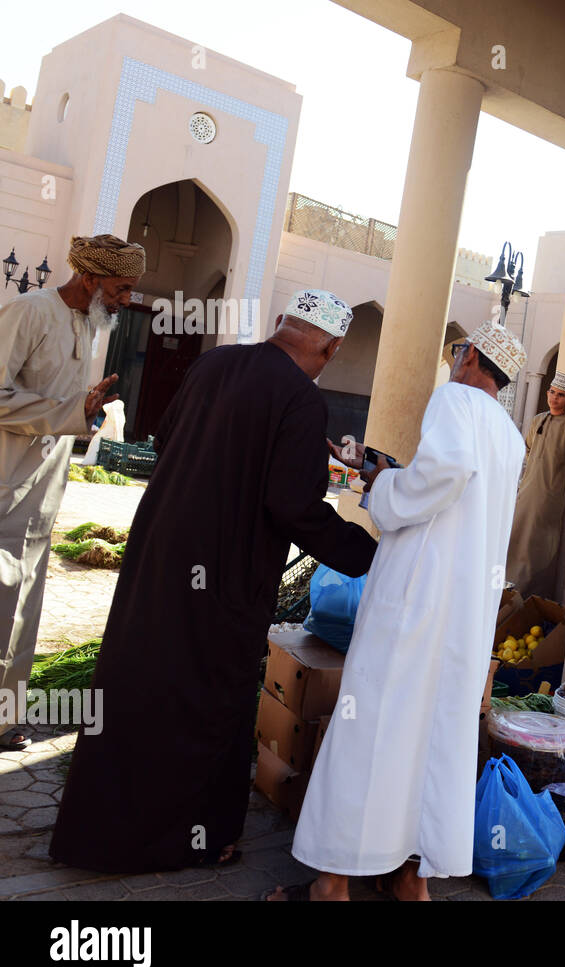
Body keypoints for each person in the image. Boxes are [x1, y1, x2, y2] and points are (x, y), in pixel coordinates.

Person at [50, 289, 378, 873]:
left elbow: (167, 440)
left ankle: (94, 833)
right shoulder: (301, 400)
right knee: (205, 702)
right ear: (328, 348)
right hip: (225, 577)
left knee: (137, 687)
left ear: (282, 324)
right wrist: (369, 555)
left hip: (159, 554)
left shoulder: (214, 363)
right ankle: (189, 839)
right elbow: (294, 506)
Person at [277, 320, 526, 902]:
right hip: (463, 611)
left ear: (470, 358)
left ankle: (332, 882)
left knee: (372, 728)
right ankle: (414, 879)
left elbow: (444, 474)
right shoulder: (511, 436)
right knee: (436, 737)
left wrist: (384, 486)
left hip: (415, 599)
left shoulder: (454, 397)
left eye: (458, 353)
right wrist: (393, 473)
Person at [0, 235, 135, 750]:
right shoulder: (29, 312)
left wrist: (86, 411)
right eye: (121, 288)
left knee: (23, 605)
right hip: (6, 479)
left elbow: (66, 406)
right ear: (89, 278)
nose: (127, 300)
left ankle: (4, 719)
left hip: (44, 490)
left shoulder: (88, 324)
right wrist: (69, 412)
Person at [506, 370, 565, 598]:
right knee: (516, 538)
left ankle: (530, 596)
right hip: (527, 491)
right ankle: (508, 591)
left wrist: (563, 484)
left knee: (538, 547)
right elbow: (528, 449)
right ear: (547, 393)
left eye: (561, 395)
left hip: (549, 497)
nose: (555, 398)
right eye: (552, 392)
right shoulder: (537, 420)